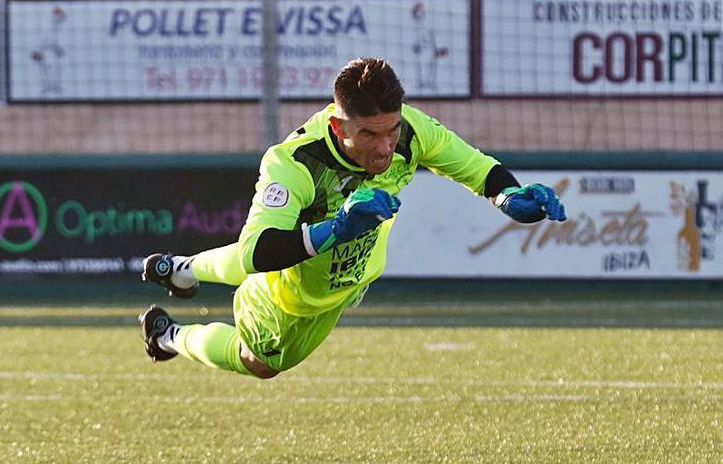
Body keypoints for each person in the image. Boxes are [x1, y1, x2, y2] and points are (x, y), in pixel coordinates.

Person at [139, 58, 567, 378]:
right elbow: (258, 251)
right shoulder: (295, 163)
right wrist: (338, 228)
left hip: (352, 275)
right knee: (262, 364)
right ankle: (169, 335)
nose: (385, 148)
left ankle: (181, 270)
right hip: (293, 290)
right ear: (338, 125)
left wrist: (509, 196)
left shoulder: (412, 131)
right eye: (369, 134)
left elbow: (477, 169)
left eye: (391, 130)